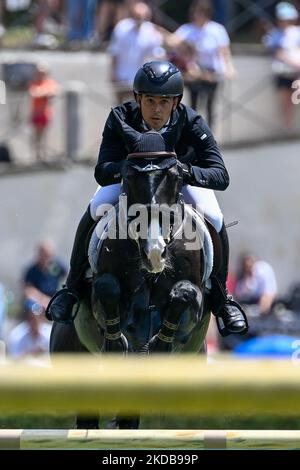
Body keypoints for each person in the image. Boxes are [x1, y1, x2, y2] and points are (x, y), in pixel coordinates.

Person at [46, 60, 247, 336]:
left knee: (214, 215)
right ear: (137, 98)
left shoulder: (191, 121)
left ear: (176, 102)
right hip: (132, 184)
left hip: (178, 183)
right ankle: (72, 287)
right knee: (95, 208)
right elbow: (103, 171)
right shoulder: (120, 117)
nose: (156, 109)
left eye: (164, 102)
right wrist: (129, 170)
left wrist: (183, 171)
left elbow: (220, 175)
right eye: (150, 100)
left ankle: (222, 299)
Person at [174, 0, 236, 128]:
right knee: (194, 105)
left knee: (210, 106)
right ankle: (192, 134)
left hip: (212, 72)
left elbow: (224, 51)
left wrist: (229, 68)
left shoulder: (217, 30)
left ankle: (209, 135)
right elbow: (174, 44)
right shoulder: (186, 29)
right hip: (194, 72)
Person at [263, 2, 300, 130]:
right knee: (285, 102)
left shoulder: (297, 32)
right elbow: (275, 51)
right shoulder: (275, 34)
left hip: (297, 74)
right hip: (283, 72)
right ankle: (287, 127)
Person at [23, 240, 67, 311]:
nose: (47, 259)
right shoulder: (32, 270)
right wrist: (44, 301)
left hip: (54, 299)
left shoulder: (57, 267)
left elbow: (68, 275)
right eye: (44, 255)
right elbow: (28, 291)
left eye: (49, 256)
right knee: (31, 305)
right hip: (38, 301)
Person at [28, 62, 59, 161]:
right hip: (36, 112)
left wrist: (42, 92)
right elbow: (33, 93)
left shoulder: (50, 82)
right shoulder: (34, 82)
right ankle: (36, 156)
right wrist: (44, 92)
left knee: (44, 135)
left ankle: (43, 155)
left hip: (45, 113)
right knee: (36, 135)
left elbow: (54, 91)